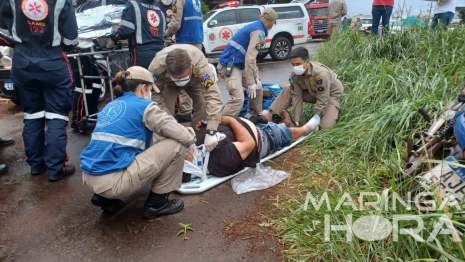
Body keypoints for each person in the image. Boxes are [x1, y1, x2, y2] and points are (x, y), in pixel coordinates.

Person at [80, 66, 196, 218]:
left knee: (128, 148)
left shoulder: (111, 106)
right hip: (113, 182)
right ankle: (157, 204)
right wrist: (192, 137)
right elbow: (182, 135)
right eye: (150, 90)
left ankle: (105, 198)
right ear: (143, 88)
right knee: (177, 145)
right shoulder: (145, 106)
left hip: (89, 176)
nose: (150, 94)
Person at [1, 0, 79, 181]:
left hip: (22, 62)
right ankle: (55, 169)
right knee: (57, 116)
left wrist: (23, 44)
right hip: (53, 62)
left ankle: (36, 165)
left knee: (32, 115)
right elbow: (71, 40)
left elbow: (4, 33)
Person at [188, 114, 320, 178]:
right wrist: (229, 119)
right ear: (191, 165)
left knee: (266, 121)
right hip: (267, 137)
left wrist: (205, 125)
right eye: (185, 156)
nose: (184, 151)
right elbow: (249, 143)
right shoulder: (219, 161)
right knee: (287, 133)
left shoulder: (195, 148)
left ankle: (285, 122)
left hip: (249, 127)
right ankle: (307, 128)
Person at [148, 45, 223, 152]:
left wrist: (212, 130)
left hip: (194, 82)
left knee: (203, 104)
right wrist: (169, 121)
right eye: (177, 78)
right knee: (162, 115)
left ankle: (195, 138)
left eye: (183, 77)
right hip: (169, 84)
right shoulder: (156, 67)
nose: (180, 81)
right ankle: (168, 145)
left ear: (191, 66)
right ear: (168, 71)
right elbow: (155, 94)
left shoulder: (200, 66)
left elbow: (213, 95)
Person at [217, 8, 278, 117]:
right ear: (272, 22)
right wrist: (250, 82)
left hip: (238, 65)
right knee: (238, 99)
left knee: (258, 89)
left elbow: (251, 60)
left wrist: (256, 78)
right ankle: (219, 126)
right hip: (229, 66)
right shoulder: (259, 32)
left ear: (261, 17)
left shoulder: (255, 26)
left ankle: (255, 117)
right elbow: (250, 58)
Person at [264, 47, 343, 129]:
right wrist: (296, 122)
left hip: (331, 95)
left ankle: (327, 112)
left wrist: (315, 119)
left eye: (298, 64)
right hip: (313, 93)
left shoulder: (320, 74)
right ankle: (274, 115)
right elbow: (296, 96)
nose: (295, 67)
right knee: (288, 88)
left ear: (307, 62)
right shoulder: (295, 74)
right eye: (293, 64)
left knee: (325, 127)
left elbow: (323, 98)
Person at [164, 0, 204, 123]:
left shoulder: (179, 1)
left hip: (185, 40)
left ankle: (185, 111)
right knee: (194, 75)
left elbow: (175, 23)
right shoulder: (196, 1)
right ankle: (195, 109)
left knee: (182, 74)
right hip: (197, 40)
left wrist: (165, 34)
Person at [106, 0, 170, 69]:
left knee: (137, 79)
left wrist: (112, 39)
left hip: (141, 55)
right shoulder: (159, 10)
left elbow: (125, 31)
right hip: (160, 55)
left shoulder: (132, 5)